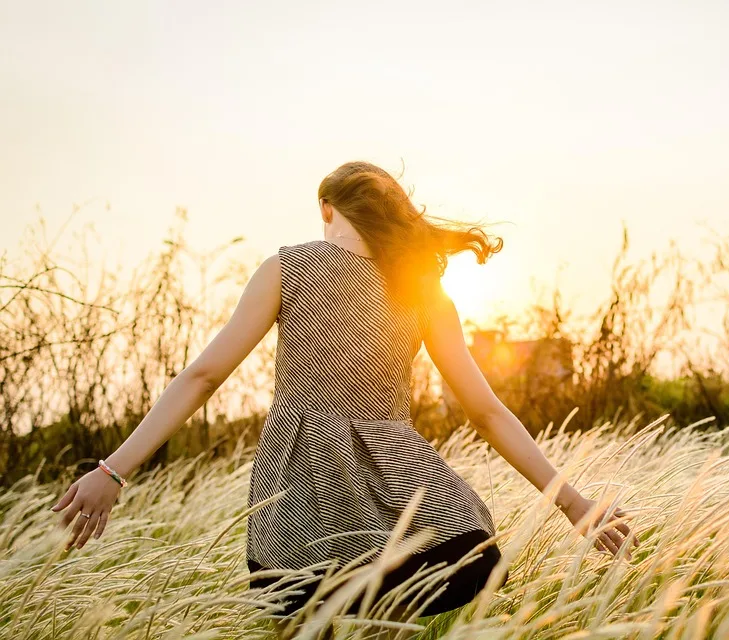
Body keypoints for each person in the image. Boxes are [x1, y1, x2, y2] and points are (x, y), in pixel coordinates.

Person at [50, 161, 636, 633]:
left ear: (327, 208)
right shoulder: (423, 292)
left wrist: (114, 470)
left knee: (308, 623)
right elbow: (486, 411)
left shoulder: (288, 267)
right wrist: (574, 505)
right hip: (401, 497)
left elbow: (202, 378)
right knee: (396, 617)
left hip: (298, 493)